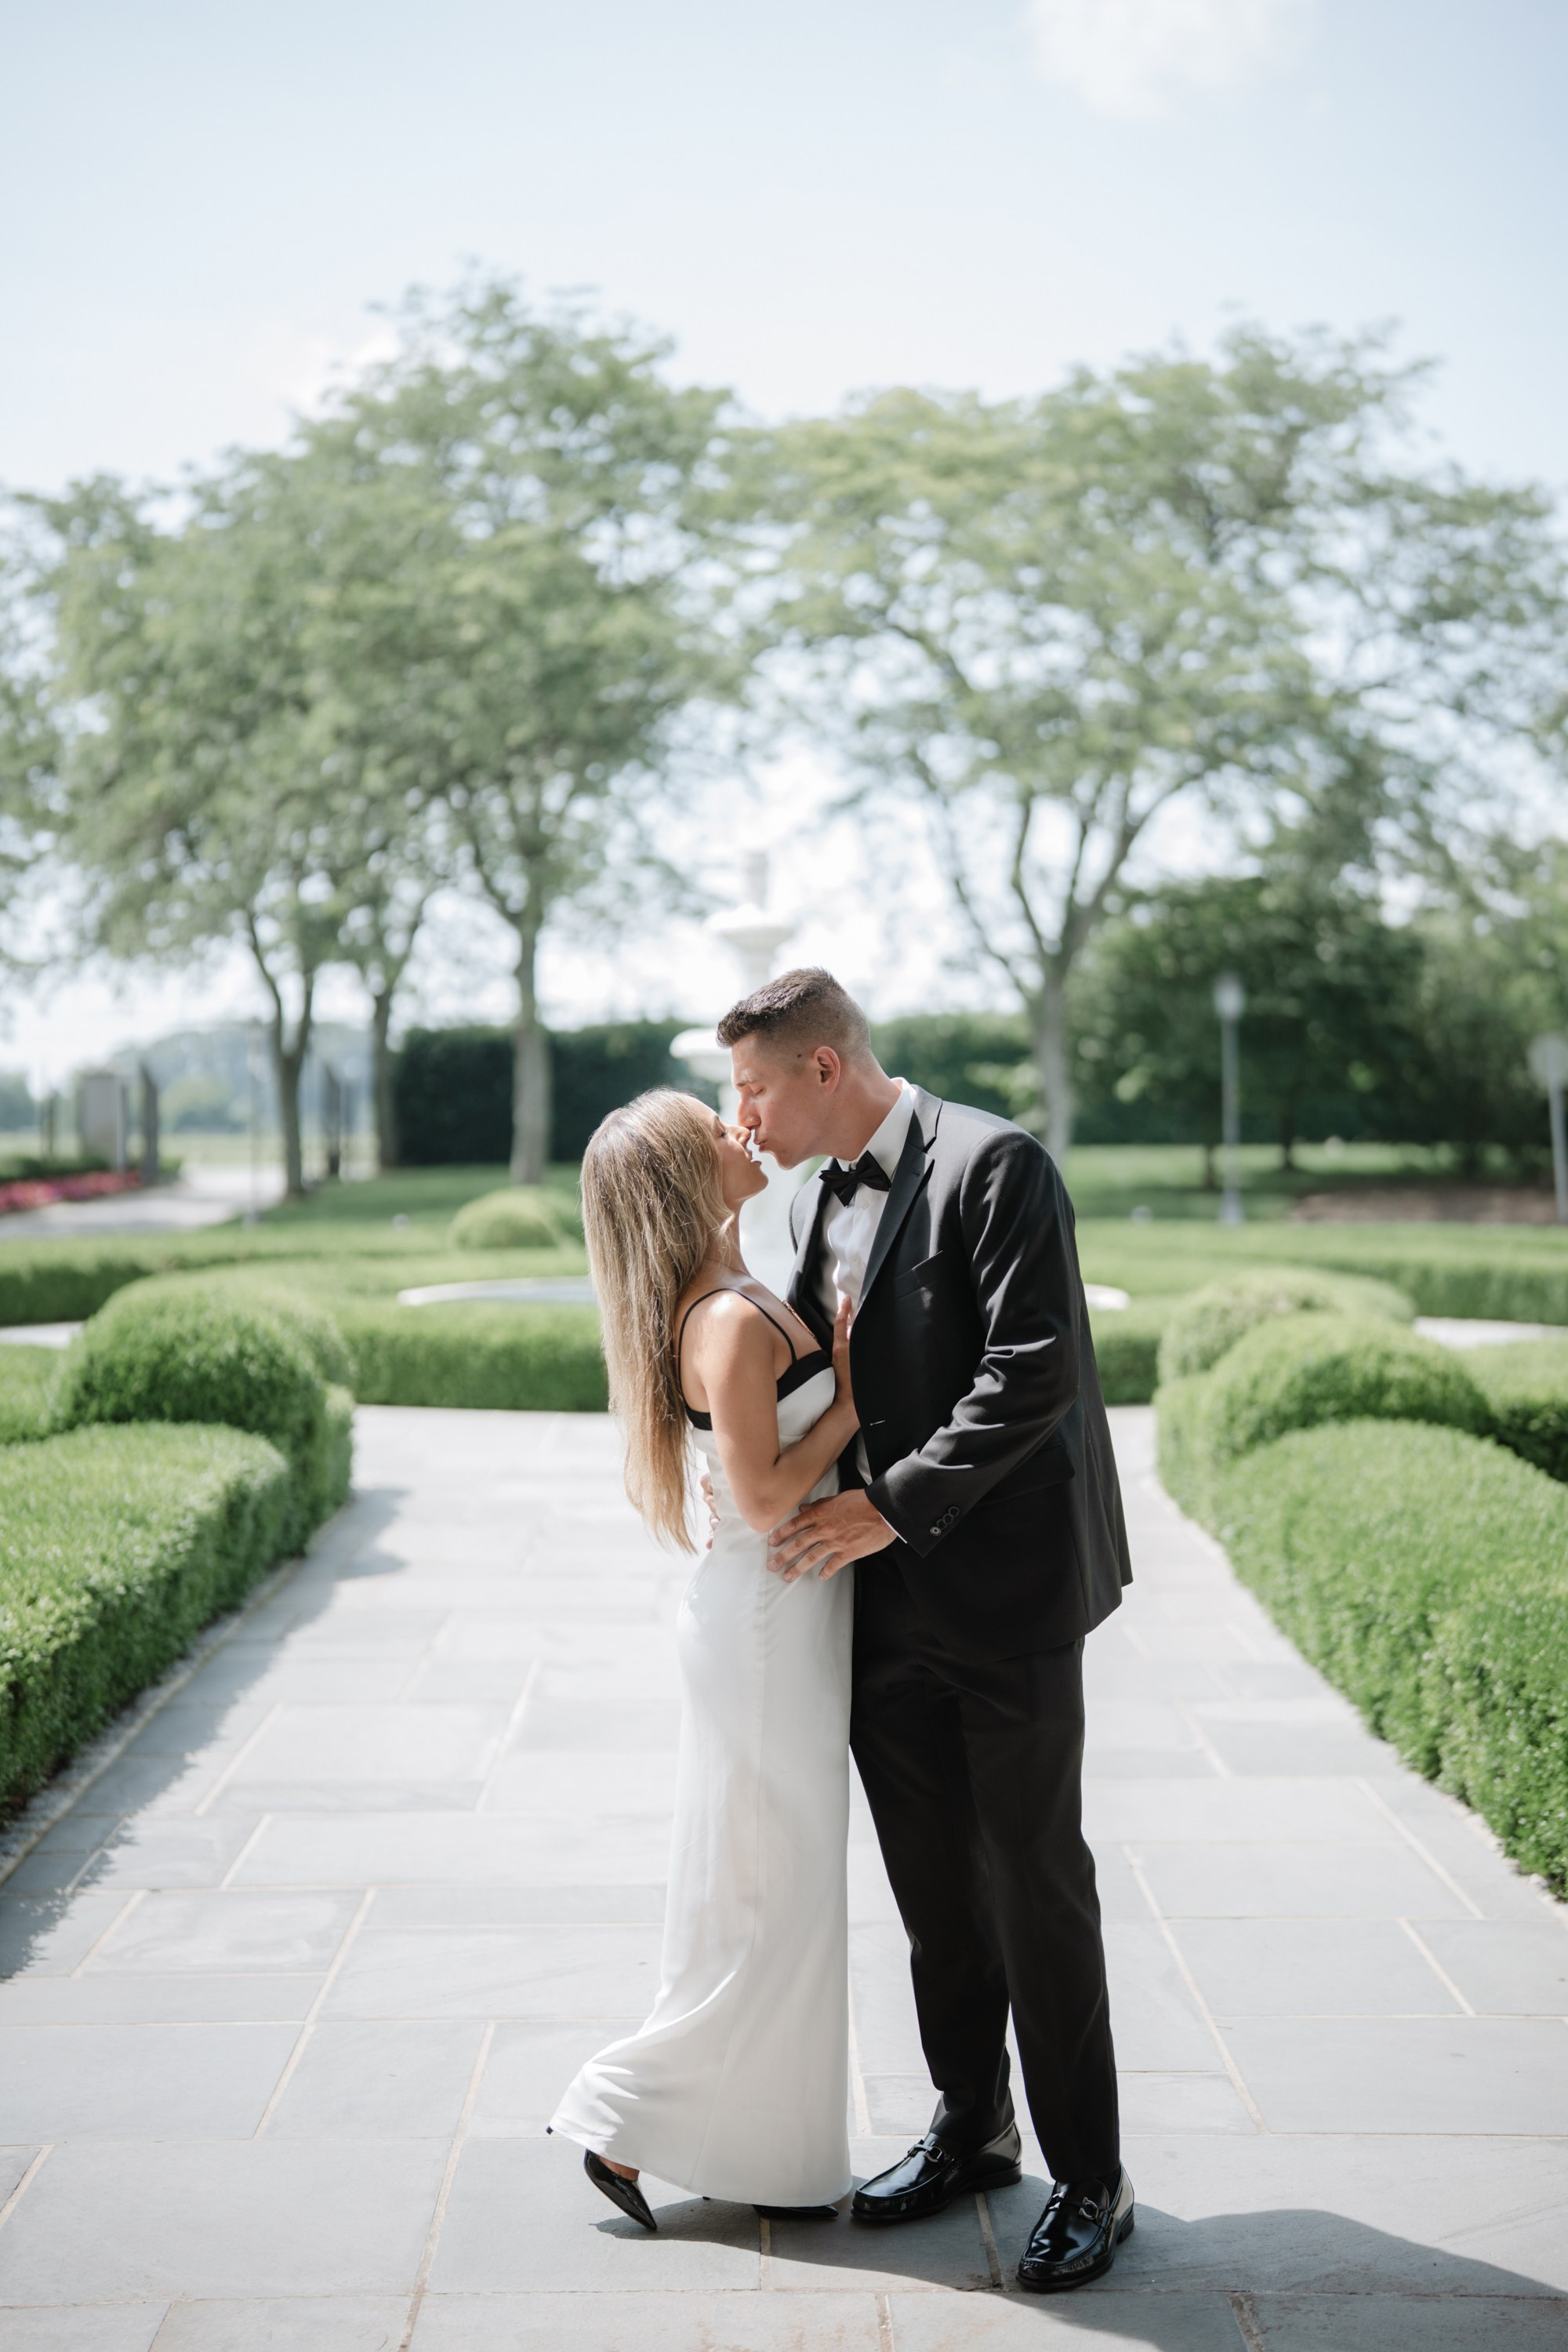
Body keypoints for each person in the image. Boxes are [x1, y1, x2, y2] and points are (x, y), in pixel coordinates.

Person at [714, 967, 1135, 2295]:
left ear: (824, 1070)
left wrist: (890, 1510)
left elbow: (1032, 1369)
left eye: (757, 1088)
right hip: (878, 1607)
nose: (747, 1115)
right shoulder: (811, 1198)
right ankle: (973, 2126)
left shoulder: (999, 1166)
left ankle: (1091, 2176)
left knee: (1034, 1881)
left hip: (1003, 1594)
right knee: (933, 1886)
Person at [549, 1088, 861, 2227]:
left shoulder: (731, 1295)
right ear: (686, 1177)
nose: (739, 1130)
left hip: (779, 1619)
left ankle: (761, 2154)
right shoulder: (724, 1321)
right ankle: (621, 2110)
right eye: (711, 1130)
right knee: (773, 1894)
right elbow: (774, 1497)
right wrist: (853, 1398)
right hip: (769, 1622)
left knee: (771, 1892)